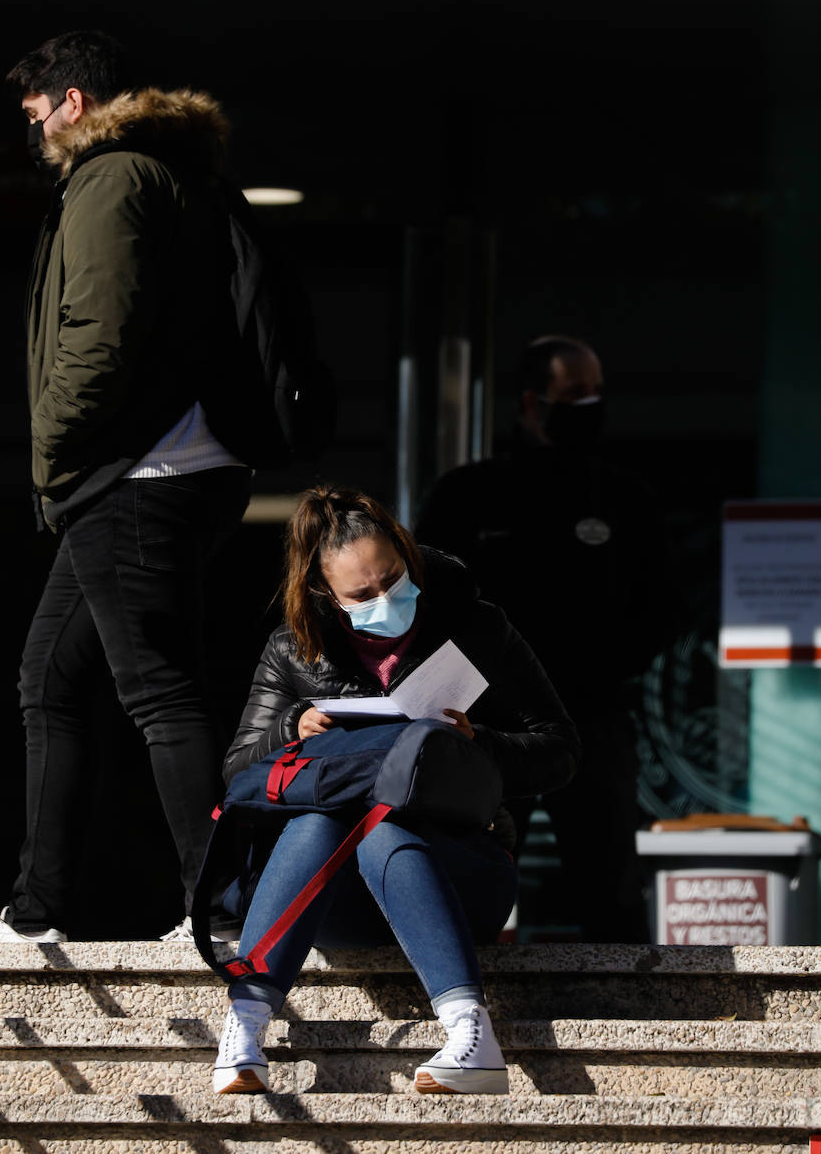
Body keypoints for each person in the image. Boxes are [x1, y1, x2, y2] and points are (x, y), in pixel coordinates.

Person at [0, 30, 256, 944]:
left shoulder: (111, 178)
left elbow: (99, 332)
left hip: (137, 471)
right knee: (48, 678)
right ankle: (38, 909)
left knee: (159, 692)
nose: (36, 132)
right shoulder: (181, 173)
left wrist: (52, 453)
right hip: (166, 466)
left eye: (36, 113)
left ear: (75, 102)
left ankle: (226, 911)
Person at [211, 484, 579, 1096]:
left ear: (408, 555)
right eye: (363, 593)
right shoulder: (292, 650)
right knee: (320, 821)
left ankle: (469, 1032)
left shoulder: (476, 627)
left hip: (461, 874)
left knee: (384, 829)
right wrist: (289, 729)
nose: (385, 598)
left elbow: (561, 750)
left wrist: (479, 742)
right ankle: (245, 1026)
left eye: (393, 577)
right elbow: (238, 770)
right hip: (334, 895)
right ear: (327, 595)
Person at [416, 335, 674, 943]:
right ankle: (464, 1006)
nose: (590, 405)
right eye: (574, 393)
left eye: (597, 393)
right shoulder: (468, 495)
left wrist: (601, 664)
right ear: (532, 403)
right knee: (471, 867)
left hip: (592, 716)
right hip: (485, 719)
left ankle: (627, 1019)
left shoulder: (626, 498)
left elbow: (662, 608)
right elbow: (426, 602)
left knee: (608, 877)